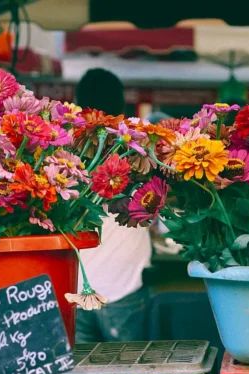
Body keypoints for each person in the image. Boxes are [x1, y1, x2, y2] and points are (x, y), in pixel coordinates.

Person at [73, 68, 152, 343]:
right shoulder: (137, 147)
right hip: (123, 284)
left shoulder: (62, 150)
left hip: (75, 285)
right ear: (121, 104)